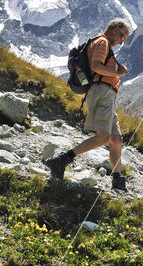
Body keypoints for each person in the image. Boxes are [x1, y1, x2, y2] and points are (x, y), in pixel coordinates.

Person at [44, 18, 132, 192]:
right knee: (104, 137)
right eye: (122, 37)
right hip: (102, 93)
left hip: (106, 94)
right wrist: (117, 72)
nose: (121, 42)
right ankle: (60, 161)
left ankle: (118, 182)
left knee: (116, 140)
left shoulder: (103, 43)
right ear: (115, 30)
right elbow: (96, 66)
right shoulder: (102, 42)